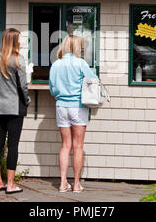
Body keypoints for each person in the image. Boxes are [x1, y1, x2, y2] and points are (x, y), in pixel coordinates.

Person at [49, 35, 97, 193]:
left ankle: (63, 183)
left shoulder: (56, 65)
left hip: (61, 106)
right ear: (76, 48)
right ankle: (76, 184)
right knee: (78, 146)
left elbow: (53, 90)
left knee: (65, 146)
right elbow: (93, 80)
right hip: (78, 107)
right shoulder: (80, 63)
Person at [0, 28, 30, 194]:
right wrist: (26, 101)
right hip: (15, 108)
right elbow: (23, 86)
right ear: (14, 41)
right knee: (13, 146)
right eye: (18, 39)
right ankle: (10, 184)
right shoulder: (18, 60)